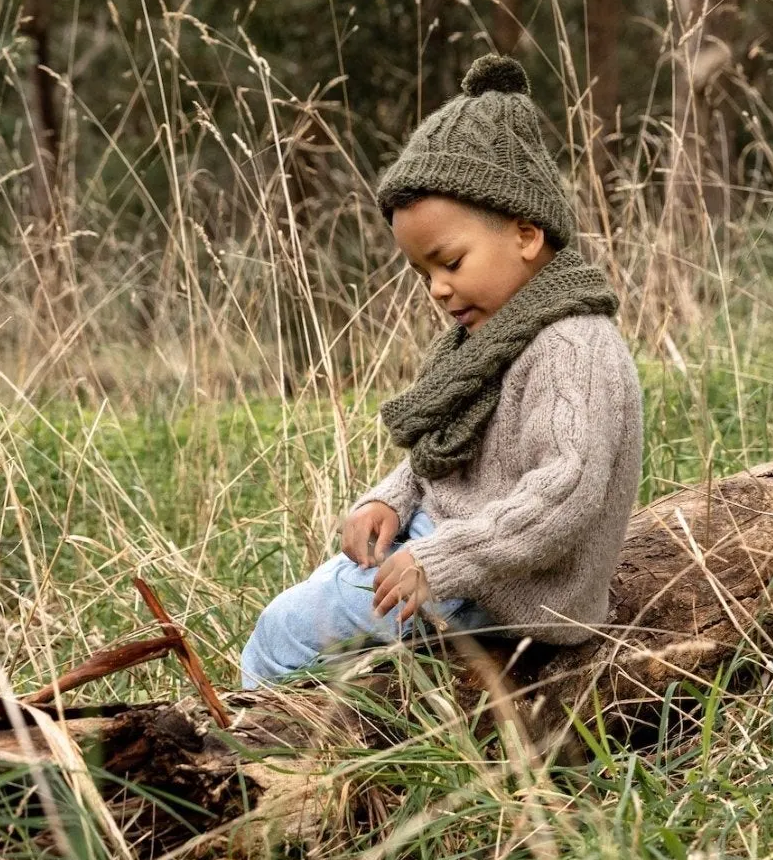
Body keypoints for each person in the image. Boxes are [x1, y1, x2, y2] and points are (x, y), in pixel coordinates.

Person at [238, 54, 643, 688]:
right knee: (324, 593)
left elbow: (565, 493)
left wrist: (443, 557)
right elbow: (461, 449)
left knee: (283, 633)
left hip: (514, 588)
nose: (438, 289)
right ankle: (299, 721)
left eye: (450, 261)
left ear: (527, 234)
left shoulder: (571, 346)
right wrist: (392, 498)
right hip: (464, 551)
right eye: (424, 274)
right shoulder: (499, 333)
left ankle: (250, 751)